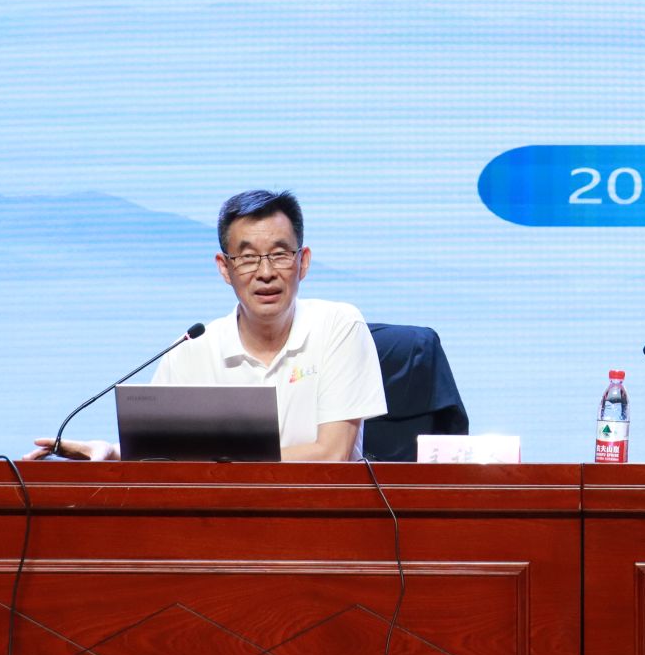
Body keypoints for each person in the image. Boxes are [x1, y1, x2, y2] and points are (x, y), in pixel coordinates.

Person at [28, 189, 387, 462]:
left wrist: (221, 464)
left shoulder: (338, 326)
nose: (265, 272)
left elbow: (331, 455)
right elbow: (162, 453)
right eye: (247, 258)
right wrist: (113, 453)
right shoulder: (192, 349)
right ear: (224, 268)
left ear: (303, 262)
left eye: (280, 255)